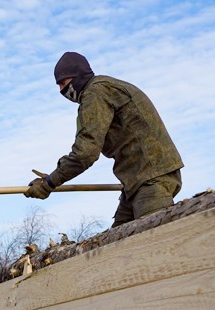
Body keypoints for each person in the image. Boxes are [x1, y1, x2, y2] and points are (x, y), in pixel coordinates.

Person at [25, 52, 183, 227]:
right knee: (119, 243)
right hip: (136, 181)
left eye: (63, 82)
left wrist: (49, 183)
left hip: (151, 178)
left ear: (77, 76)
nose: (61, 90)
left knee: (156, 241)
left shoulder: (96, 93)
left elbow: (85, 153)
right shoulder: (103, 89)